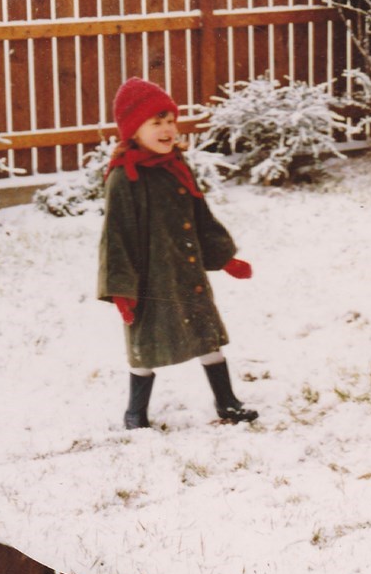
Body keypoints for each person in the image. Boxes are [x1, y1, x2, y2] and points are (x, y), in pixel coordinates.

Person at [98, 78, 259, 431]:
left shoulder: (176, 166)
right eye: (156, 123)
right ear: (133, 130)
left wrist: (224, 257)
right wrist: (121, 291)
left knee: (208, 336)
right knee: (145, 348)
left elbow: (201, 217)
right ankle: (135, 412)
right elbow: (116, 238)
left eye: (170, 120)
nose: (168, 129)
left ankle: (227, 402)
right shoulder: (123, 179)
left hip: (186, 275)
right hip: (148, 281)